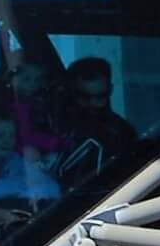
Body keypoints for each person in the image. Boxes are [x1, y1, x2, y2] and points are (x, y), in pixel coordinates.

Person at [53, 55, 143, 191]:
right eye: (84, 97)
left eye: (101, 96)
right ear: (70, 92)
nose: (93, 104)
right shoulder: (54, 123)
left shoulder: (121, 134)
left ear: (110, 90)